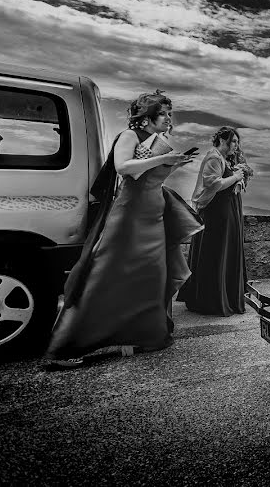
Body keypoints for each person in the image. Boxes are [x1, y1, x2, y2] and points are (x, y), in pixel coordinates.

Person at [45, 90, 202, 369]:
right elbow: (123, 167)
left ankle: (145, 334)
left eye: (169, 114)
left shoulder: (160, 141)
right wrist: (163, 160)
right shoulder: (130, 136)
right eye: (164, 114)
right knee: (106, 276)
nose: (169, 119)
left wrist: (174, 164)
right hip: (129, 216)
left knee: (151, 276)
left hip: (153, 215)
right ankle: (69, 346)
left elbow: (151, 178)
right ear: (148, 117)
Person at [178, 126, 248, 316]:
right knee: (215, 251)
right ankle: (210, 300)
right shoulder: (214, 157)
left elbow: (229, 181)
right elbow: (214, 183)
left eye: (237, 141)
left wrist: (240, 179)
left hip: (226, 211)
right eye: (233, 141)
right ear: (222, 141)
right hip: (216, 213)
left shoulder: (226, 159)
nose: (236, 145)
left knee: (225, 250)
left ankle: (226, 295)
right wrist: (235, 177)